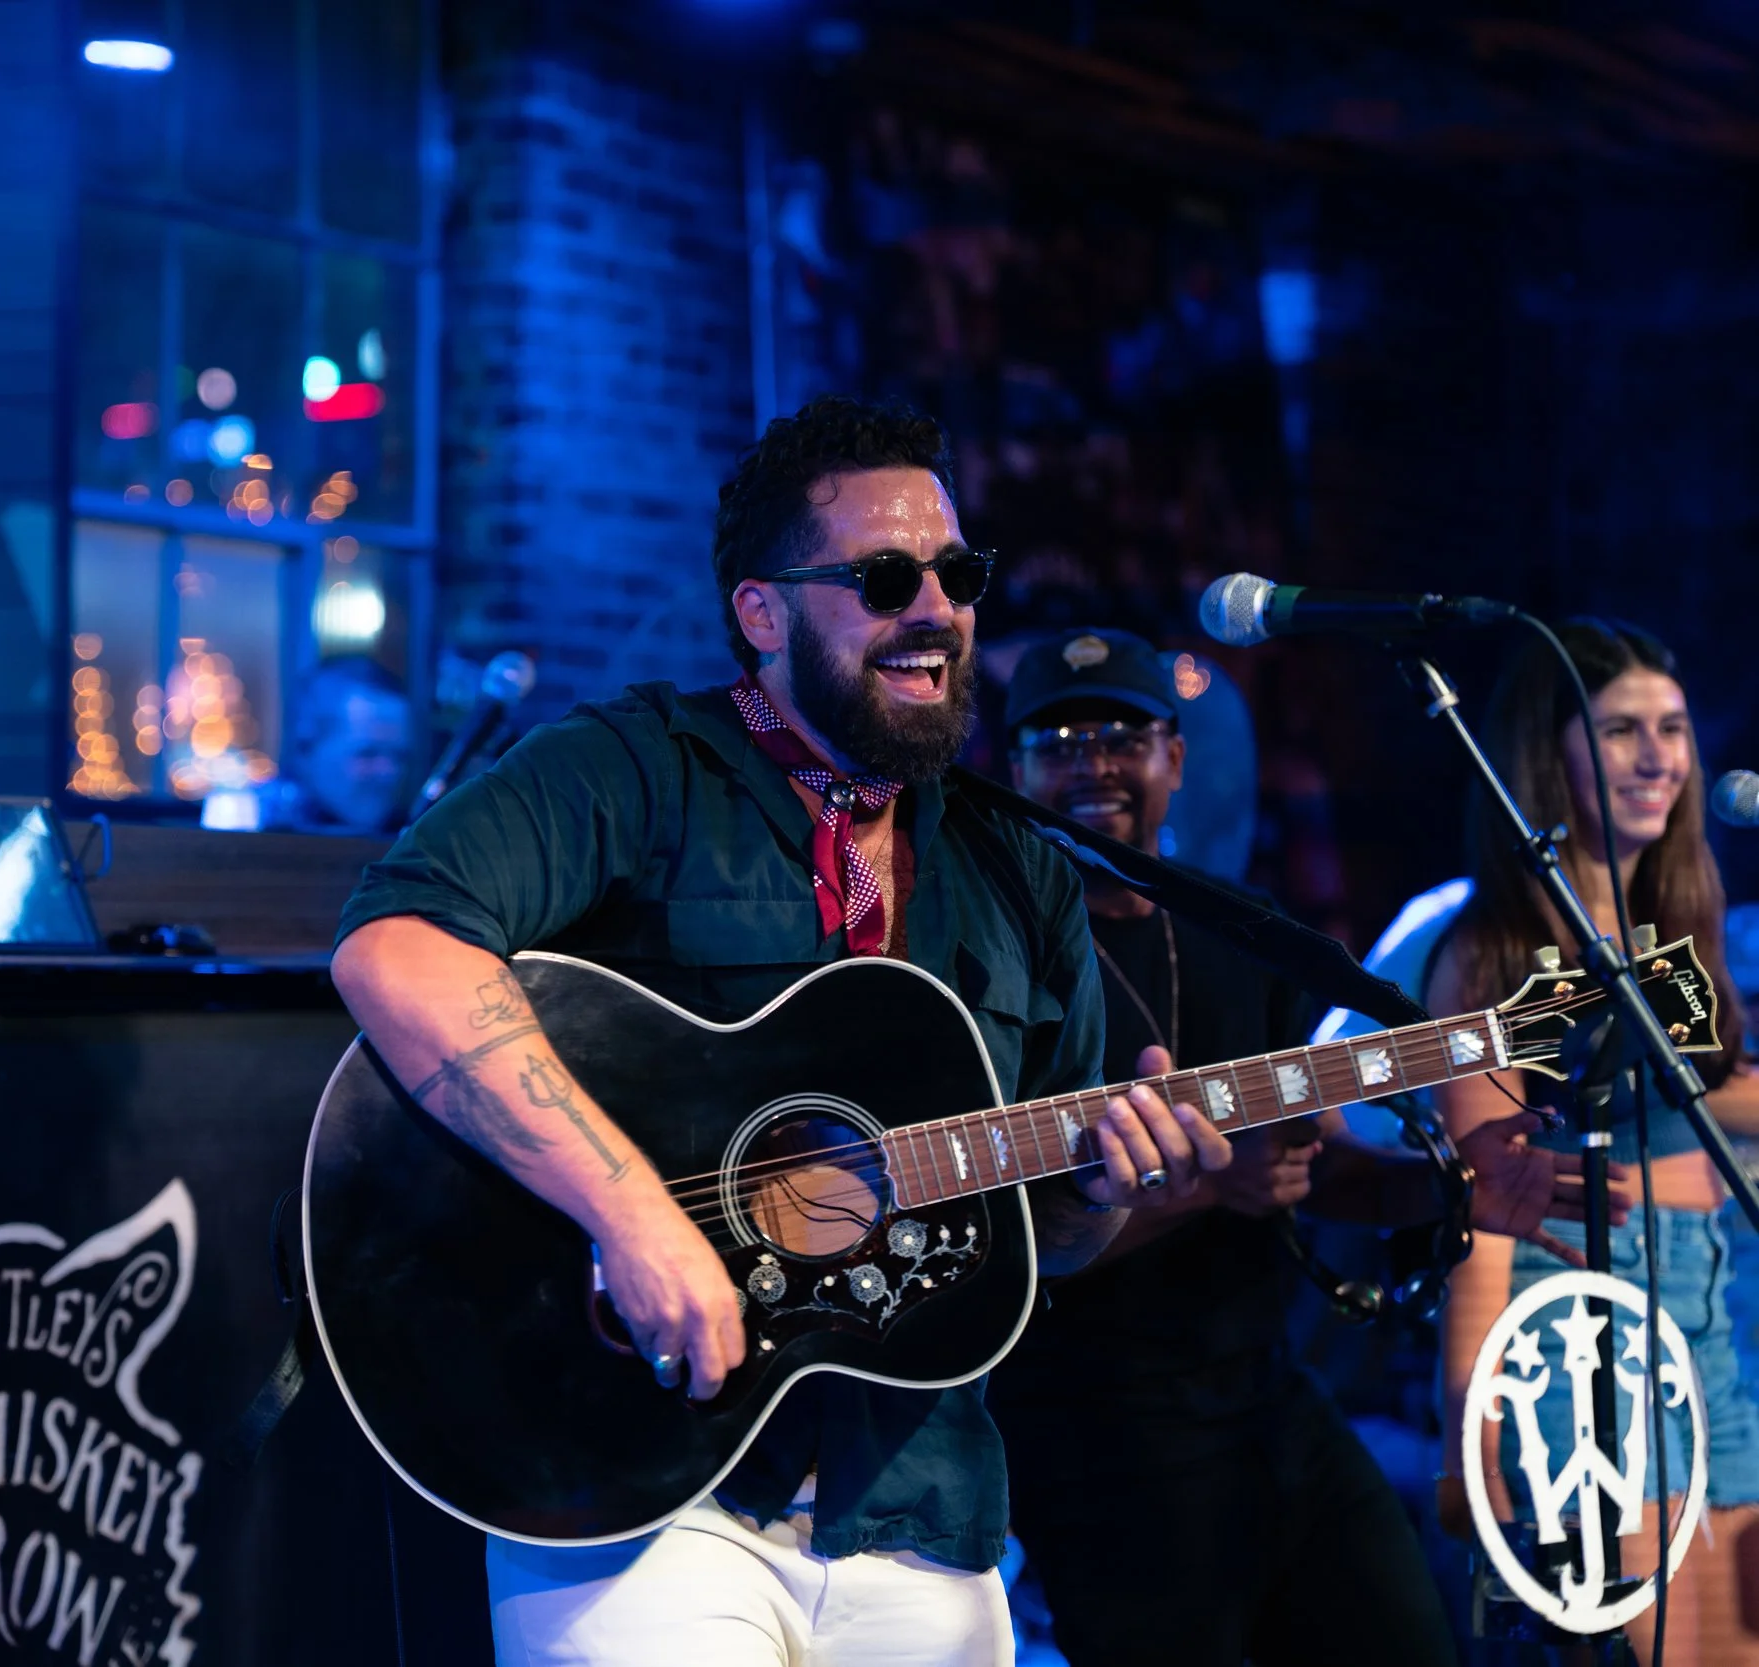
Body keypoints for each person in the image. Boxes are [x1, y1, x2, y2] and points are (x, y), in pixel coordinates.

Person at [330, 396, 1235, 1666]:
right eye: (882, 577)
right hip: (638, 1488)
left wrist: (1106, 1185)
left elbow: (1052, 1237)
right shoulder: (632, 770)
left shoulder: (1015, 866)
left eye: (954, 573)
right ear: (762, 613)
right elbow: (396, 945)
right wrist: (634, 1215)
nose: (935, 609)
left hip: (922, 1505)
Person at [983, 626, 1475, 1666]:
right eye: (1057, 738)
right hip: (1092, 1433)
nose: (1092, 763)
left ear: (1174, 755)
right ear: (1012, 768)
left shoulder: (1241, 927)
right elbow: (1004, 1243)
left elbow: (1314, 1165)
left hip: (1265, 1392)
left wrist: (1458, 1190)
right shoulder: (998, 954)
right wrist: (1210, 1189)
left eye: (1121, 734)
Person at [1430, 618, 1759, 1666]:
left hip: (1705, 1320)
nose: (1659, 755)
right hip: (1572, 1333)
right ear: (1546, 753)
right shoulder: (1489, 951)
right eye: (1620, 729)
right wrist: (1467, 1428)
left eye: (1671, 727)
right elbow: (1484, 1211)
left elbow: (1717, 1106)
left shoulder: (1677, 918)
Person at [258, 657, 413, 835]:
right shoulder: (255, 838)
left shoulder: (413, 843)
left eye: (400, 757)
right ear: (305, 749)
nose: (389, 772)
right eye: (368, 753)